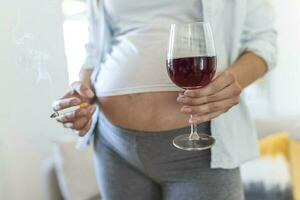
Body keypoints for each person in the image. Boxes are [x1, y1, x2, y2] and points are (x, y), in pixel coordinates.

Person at [52, 0, 277, 199]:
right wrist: (81, 96)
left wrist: (231, 82)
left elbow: (263, 42)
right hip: (114, 144)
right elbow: (95, 52)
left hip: (201, 151)